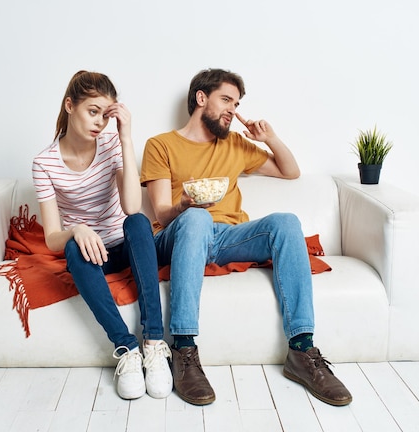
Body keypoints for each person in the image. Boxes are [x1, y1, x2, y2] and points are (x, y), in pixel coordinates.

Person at [140, 68, 352, 406]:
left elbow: (290, 172)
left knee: (285, 222)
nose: (233, 110)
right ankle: (183, 349)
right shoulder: (161, 145)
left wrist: (269, 138)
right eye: (226, 100)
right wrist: (183, 205)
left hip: (226, 237)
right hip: (178, 233)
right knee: (195, 218)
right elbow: (161, 212)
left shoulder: (236, 144)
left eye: (236, 103)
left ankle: (301, 351)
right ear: (201, 98)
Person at [32, 71, 172, 400]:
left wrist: (125, 138)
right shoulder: (44, 163)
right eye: (92, 111)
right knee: (70, 249)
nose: (99, 123)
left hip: (126, 246)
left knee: (137, 223)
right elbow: (52, 236)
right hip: (91, 254)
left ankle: (153, 341)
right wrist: (77, 229)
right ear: (70, 105)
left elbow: (132, 205)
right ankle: (126, 348)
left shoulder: (111, 144)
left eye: (105, 115)